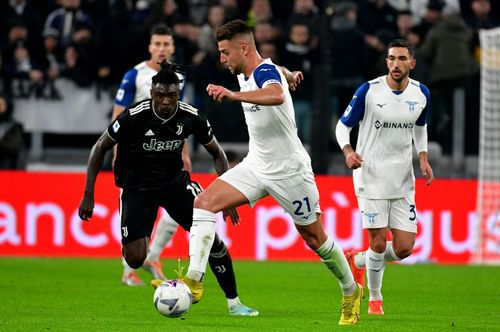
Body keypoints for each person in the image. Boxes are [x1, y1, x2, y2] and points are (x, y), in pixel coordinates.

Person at [182, 19, 362, 325]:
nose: (222, 59)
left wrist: (234, 95)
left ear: (243, 47)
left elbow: (276, 94)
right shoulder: (256, 68)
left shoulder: (263, 74)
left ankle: (351, 290)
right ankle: (194, 281)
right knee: (202, 204)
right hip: (257, 165)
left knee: (314, 237)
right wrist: (290, 73)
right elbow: (275, 71)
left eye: (226, 52)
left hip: (290, 171)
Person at [78, 61, 258, 316]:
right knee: (134, 258)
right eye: (160, 95)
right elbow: (99, 147)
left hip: (175, 184)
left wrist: (227, 196)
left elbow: (218, 153)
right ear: (152, 93)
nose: (165, 101)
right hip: (137, 187)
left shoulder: (191, 116)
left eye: (171, 95)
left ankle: (234, 302)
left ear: (178, 94)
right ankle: (156, 265)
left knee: (213, 241)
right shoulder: (134, 116)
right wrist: (88, 193)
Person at [335, 39, 434, 315]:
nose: (396, 64)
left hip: (403, 180)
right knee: (378, 243)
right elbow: (342, 126)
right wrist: (348, 151)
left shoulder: (421, 93)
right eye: (391, 58)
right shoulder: (369, 91)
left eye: (402, 59)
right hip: (370, 177)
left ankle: (357, 260)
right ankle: (375, 299)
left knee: (404, 248)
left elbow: (420, 127)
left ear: (411, 63)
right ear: (386, 61)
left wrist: (423, 157)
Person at [112, 23, 190, 286]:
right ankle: (129, 270)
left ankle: (152, 257)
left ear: (173, 47)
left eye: (166, 44)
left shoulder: (179, 77)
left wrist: (185, 152)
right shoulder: (133, 75)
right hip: (136, 158)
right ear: (150, 47)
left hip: (168, 155)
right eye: (157, 44)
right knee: (137, 215)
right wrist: (116, 152)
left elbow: (181, 119)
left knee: (173, 213)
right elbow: (117, 115)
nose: (161, 49)